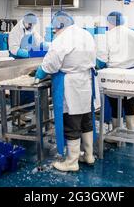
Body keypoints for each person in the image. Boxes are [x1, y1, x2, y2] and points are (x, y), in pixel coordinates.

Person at [34, 11, 97, 172]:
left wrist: (41, 71)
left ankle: (71, 162)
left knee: (72, 122)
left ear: (60, 25)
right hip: (86, 82)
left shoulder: (62, 39)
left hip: (71, 85)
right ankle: (89, 155)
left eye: (55, 28)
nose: (54, 31)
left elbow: (52, 63)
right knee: (86, 120)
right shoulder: (85, 34)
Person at [96, 11, 134, 133]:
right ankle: (131, 131)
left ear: (110, 22)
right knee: (129, 103)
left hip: (114, 75)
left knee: (116, 105)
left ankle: (117, 135)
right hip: (132, 73)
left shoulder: (107, 36)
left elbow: (101, 60)